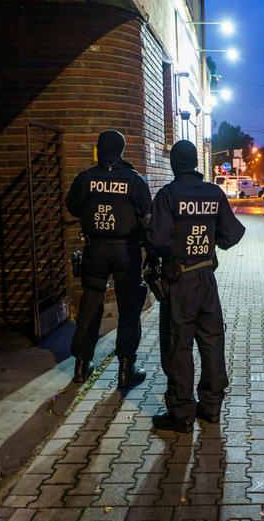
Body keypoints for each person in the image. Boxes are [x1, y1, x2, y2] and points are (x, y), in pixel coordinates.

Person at [146, 140, 245, 433]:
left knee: (179, 345)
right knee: (212, 340)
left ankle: (181, 414)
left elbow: (157, 240)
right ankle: (211, 408)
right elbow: (232, 234)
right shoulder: (214, 193)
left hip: (179, 283)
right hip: (206, 279)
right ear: (195, 164)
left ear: (175, 164)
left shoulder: (167, 195)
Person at [65, 130, 152, 389]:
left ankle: (82, 366)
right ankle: (126, 369)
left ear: (99, 150)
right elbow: (147, 216)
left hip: (95, 249)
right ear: (121, 151)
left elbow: (73, 207)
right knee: (129, 308)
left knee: (90, 303)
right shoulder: (135, 181)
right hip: (127, 251)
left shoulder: (86, 178)